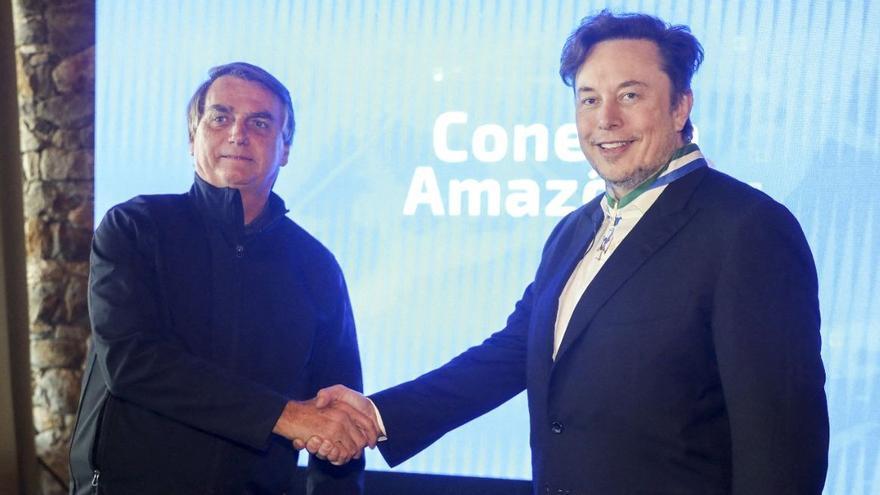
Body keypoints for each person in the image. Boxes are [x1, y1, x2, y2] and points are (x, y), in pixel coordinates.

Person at [307, 11, 829, 495]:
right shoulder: (574, 229)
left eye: (630, 95)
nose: (605, 119)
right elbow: (513, 352)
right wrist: (377, 416)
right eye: (588, 98)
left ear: (680, 106)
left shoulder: (747, 228)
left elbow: (783, 442)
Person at [68, 62, 378, 495]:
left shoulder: (317, 266)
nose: (238, 133)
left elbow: (338, 411)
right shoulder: (135, 227)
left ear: (285, 149)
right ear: (192, 136)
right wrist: (286, 415)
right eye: (220, 117)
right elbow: (133, 362)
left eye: (260, 122)